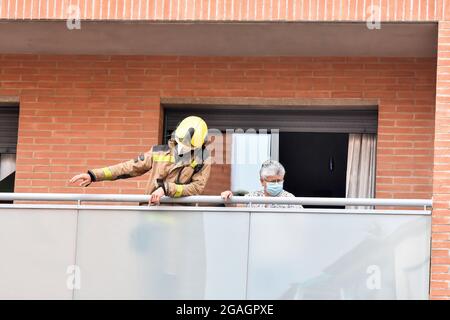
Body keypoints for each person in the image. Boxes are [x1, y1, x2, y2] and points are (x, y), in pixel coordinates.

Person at [69, 116, 211, 205]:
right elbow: (129, 167)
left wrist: (166, 189)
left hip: (181, 219)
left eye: (189, 146)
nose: (183, 148)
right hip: (151, 211)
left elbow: (197, 188)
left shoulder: (202, 159)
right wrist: (93, 175)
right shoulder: (159, 152)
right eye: (181, 143)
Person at [221, 160, 303, 209]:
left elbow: (302, 221)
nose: (276, 184)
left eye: (279, 180)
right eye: (272, 181)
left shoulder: (290, 199)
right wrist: (228, 198)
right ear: (262, 181)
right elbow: (235, 208)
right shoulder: (254, 197)